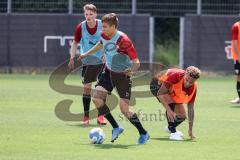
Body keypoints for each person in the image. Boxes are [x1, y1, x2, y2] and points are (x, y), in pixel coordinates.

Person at [78, 13, 150, 144]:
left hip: (122, 76)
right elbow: (101, 44)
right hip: (108, 72)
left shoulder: (124, 40)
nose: (102, 29)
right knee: (97, 98)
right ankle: (116, 127)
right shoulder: (104, 35)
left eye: (105, 27)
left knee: (124, 109)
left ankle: (143, 133)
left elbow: (136, 62)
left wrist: (132, 71)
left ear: (113, 27)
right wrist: (86, 54)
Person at [68, 4, 106, 125]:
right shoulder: (81, 27)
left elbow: (109, 40)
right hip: (88, 62)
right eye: (86, 14)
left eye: (90, 14)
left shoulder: (102, 25)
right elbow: (75, 43)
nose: (88, 16)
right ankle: (86, 117)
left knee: (101, 90)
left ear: (95, 14)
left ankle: (101, 116)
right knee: (87, 88)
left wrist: (106, 53)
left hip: (102, 62)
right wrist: (72, 58)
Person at [150, 66, 201, 140]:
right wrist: (169, 110)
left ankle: (170, 127)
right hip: (157, 84)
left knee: (182, 116)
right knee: (171, 104)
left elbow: (190, 109)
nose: (187, 84)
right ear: (185, 74)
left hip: (169, 89)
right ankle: (173, 133)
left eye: (191, 82)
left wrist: (190, 129)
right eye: (186, 80)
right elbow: (160, 93)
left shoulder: (193, 88)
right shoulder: (176, 76)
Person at [230, 21, 240, 104]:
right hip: (238, 57)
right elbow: (234, 42)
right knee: (239, 77)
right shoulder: (236, 26)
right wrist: (238, 56)